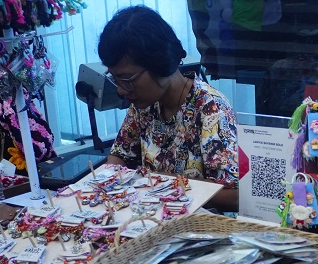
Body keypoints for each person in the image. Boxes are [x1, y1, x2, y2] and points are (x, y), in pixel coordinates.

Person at [98, 5, 239, 212]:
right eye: (115, 79)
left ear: (160, 63)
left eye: (127, 79)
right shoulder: (144, 105)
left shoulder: (210, 109)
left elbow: (234, 195)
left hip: (199, 225)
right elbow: (119, 156)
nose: (120, 90)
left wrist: (167, 184)